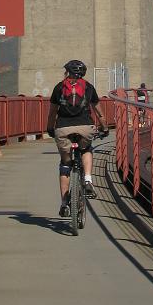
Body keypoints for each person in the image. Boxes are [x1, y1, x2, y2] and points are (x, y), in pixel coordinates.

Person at [47, 59, 107, 218]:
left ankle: (64, 203)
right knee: (86, 149)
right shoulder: (88, 87)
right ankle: (87, 180)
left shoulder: (59, 87)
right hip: (85, 127)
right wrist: (104, 127)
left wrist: (50, 128)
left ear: (68, 72)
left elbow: (52, 112)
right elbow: (99, 112)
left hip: (63, 129)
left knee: (65, 164)